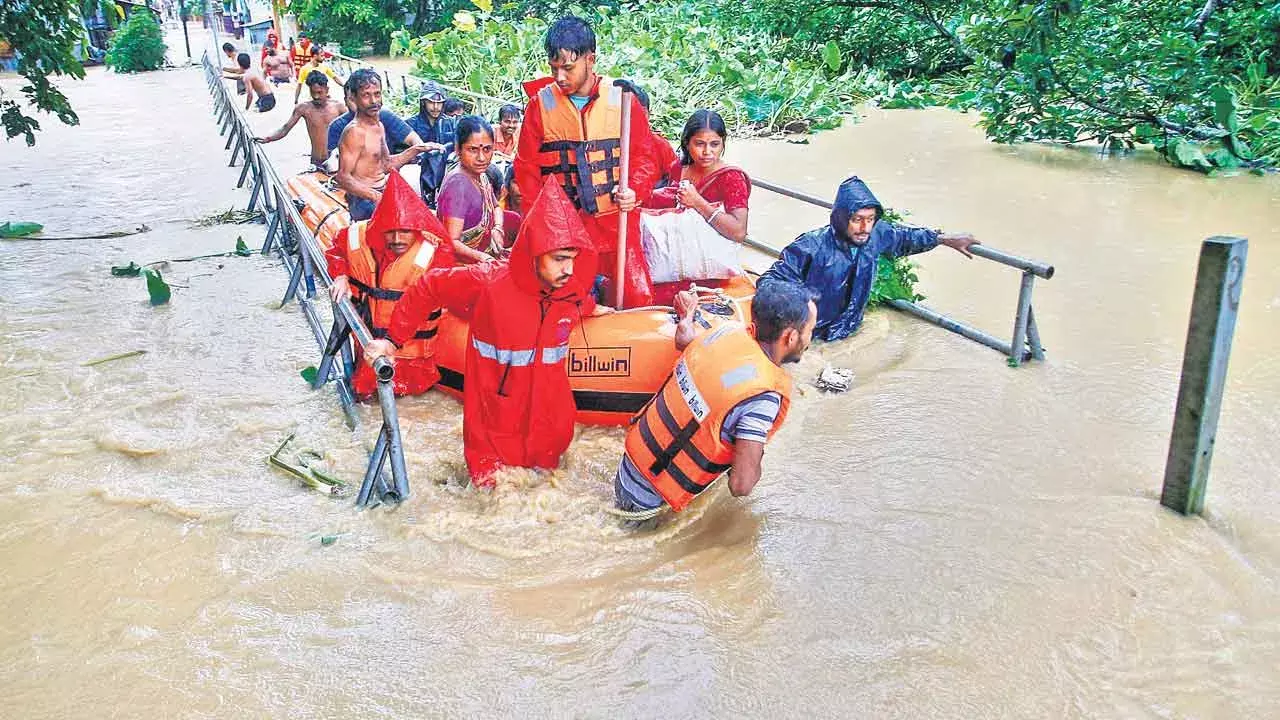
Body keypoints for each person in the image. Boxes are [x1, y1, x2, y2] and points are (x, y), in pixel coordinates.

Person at [364, 180, 612, 487]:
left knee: (547, 501)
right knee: (492, 506)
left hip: (549, 429)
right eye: (560, 259)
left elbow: (577, 305)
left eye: (573, 259)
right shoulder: (489, 282)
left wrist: (596, 310)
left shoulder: (569, 293)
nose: (569, 269)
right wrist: (392, 340)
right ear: (535, 253)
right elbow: (429, 287)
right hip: (494, 429)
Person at [613, 281, 816, 515]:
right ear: (790, 337)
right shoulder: (763, 398)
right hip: (649, 505)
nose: (810, 338)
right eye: (810, 330)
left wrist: (687, 315)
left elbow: (683, 341)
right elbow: (741, 485)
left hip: (628, 468)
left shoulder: (725, 332)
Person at [514, 15, 660, 308]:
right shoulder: (539, 106)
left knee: (636, 297)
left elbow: (646, 158)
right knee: (566, 302)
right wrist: (541, 227)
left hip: (616, 225)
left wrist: (635, 190)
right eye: (554, 68)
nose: (560, 77)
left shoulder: (624, 100)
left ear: (590, 60)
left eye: (568, 68)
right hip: (565, 230)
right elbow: (527, 171)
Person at [759, 176, 979, 342]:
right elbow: (770, 282)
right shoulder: (810, 246)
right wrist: (803, 303)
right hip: (812, 333)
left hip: (849, 327)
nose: (865, 228)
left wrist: (943, 239)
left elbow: (906, 238)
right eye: (857, 220)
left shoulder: (876, 234)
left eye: (871, 219)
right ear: (841, 218)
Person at [325, 173, 456, 398]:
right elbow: (336, 251)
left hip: (413, 360)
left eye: (404, 231)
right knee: (365, 399)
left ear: (416, 227)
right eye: (390, 231)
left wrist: (392, 341)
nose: (396, 239)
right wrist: (341, 276)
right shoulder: (356, 235)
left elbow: (427, 302)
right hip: (369, 349)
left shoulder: (436, 253)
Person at [336, 70, 436, 221]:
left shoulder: (379, 126)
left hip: (380, 191)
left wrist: (417, 149)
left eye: (377, 94)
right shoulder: (354, 132)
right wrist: (377, 197)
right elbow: (343, 178)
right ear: (353, 98)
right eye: (366, 95)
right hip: (363, 202)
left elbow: (386, 164)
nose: (373, 101)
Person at [645, 109, 750, 243]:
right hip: (676, 249)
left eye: (714, 144)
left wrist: (697, 202)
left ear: (723, 143)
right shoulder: (678, 169)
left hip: (712, 255)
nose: (707, 151)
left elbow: (739, 232)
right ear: (687, 143)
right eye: (699, 144)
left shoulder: (731, 178)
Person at [436, 116, 524, 264]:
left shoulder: (480, 175)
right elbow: (452, 241)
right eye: (473, 150)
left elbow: (495, 207)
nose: (481, 158)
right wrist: (484, 258)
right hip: (463, 266)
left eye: (487, 149)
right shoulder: (458, 185)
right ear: (458, 149)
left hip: (484, 254)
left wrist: (497, 228)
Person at [254, 71, 346, 170]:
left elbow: (355, 127)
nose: (316, 96)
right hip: (316, 161)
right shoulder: (303, 108)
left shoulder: (338, 107)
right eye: (313, 93)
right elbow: (285, 129)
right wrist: (268, 138)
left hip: (336, 162)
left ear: (327, 90)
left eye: (319, 92)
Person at [404, 80, 457, 208]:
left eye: (439, 103)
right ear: (423, 103)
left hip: (446, 173)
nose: (435, 107)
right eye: (431, 102)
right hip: (417, 175)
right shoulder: (410, 124)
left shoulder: (451, 123)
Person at [631, 86, 678, 189]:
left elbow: (676, 179)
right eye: (631, 113)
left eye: (641, 113)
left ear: (649, 114)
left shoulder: (660, 145)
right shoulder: (605, 144)